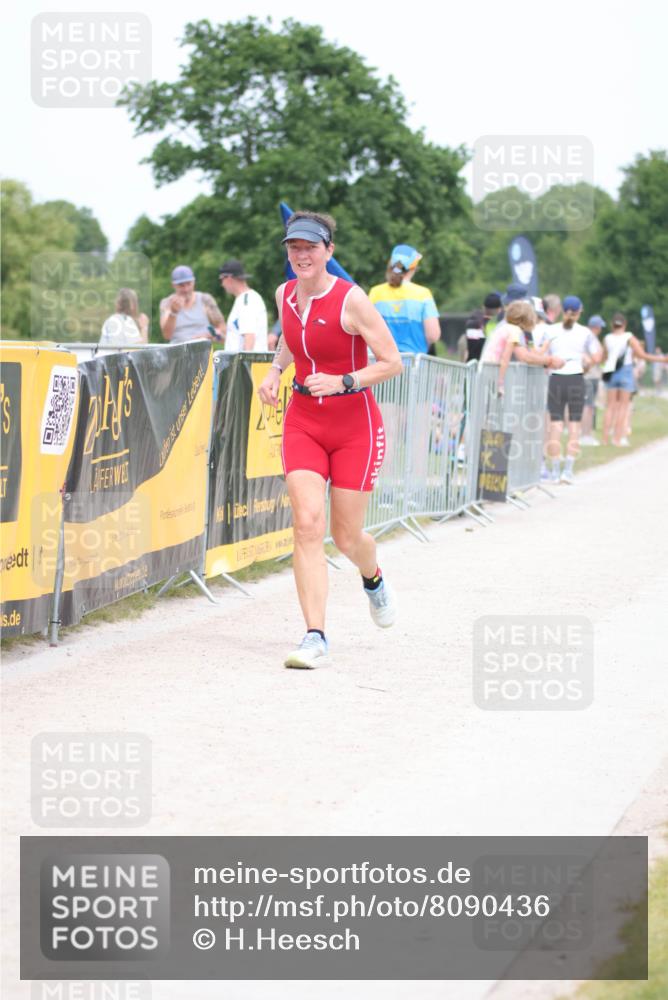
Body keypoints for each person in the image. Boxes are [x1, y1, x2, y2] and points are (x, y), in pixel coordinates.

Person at [258, 211, 402, 670]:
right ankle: (315, 635)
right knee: (306, 524)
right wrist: (276, 370)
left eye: (310, 248)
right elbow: (289, 340)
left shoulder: (352, 300)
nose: (301, 255)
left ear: (328, 252)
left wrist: (344, 382)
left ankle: (372, 576)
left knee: (345, 535)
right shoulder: (284, 293)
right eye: (293, 247)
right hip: (302, 421)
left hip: (354, 426)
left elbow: (392, 361)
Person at [543, 295, 602, 484]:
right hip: (576, 378)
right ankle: (568, 470)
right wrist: (587, 364)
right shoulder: (585, 332)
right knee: (574, 425)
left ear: (563, 310)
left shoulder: (550, 330)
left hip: (556, 379)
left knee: (555, 425)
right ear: (579, 312)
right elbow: (598, 355)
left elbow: (544, 353)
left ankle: (554, 471)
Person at [601, 312, 668, 446]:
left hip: (611, 373)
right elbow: (642, 355)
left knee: (610, 407)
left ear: (612, 325)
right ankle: (617, 439)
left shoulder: (607, 338)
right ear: (624, 324)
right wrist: (662, 359)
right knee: (623, 408)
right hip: (625, 372)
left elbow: (604, 357)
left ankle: (604, 439)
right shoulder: (629, 337)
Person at [368, 245, 441, 354]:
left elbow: (367, 329)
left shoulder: (375, 292)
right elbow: (433, 335)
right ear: (414, 267)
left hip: (382, 364)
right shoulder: (423, 294)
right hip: (415, 365)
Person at [481, 300, 563, 394]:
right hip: (491, 371)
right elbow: (511, 357)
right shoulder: (514, 331)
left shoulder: (507, 327)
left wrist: (545, 350)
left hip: (487, 369)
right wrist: (500, 383)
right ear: (527, 319)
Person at [159, 265, 225, 343]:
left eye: (188, 284)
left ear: (194, 282)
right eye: (181, 285)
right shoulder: (167, 303)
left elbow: (222, 330)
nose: (186, 289)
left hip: (202, 350)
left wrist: (208, 335)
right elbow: (167, 336)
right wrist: (173, 313)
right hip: (177, 351)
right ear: (173, 285)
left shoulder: (205, 300)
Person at [218, 259, 269, 353]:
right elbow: (239, 338)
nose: (222, 284)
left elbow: (249, 337)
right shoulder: (245, 299)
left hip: (246, 366)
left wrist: (244, 367)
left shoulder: (247, 301)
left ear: (228, 278)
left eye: (221, 279)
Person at [580, 315, 606, 445]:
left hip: (593, 375)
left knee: (590, 406)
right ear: (596, 326)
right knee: (588, 406)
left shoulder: (591, 337)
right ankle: (585, 435)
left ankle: (588, 433)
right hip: (589, 376)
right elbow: (598, 356)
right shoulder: (589, 337)